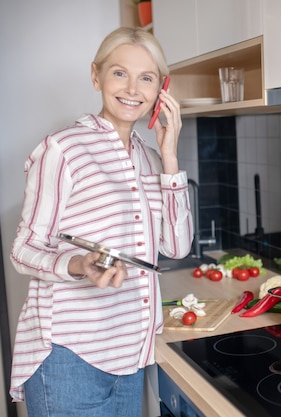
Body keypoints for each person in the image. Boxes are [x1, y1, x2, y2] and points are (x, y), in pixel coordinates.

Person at [9, 27, 193, 416]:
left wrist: (170, 157)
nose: (132, 88)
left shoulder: (149, 157)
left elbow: (175, 248)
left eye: (147, 77)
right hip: (69, 357)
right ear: (96, 76)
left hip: (128, 356)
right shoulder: (64, 149)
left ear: (162, 88)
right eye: (119, 73)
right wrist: (77, 264)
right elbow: (23, 250)